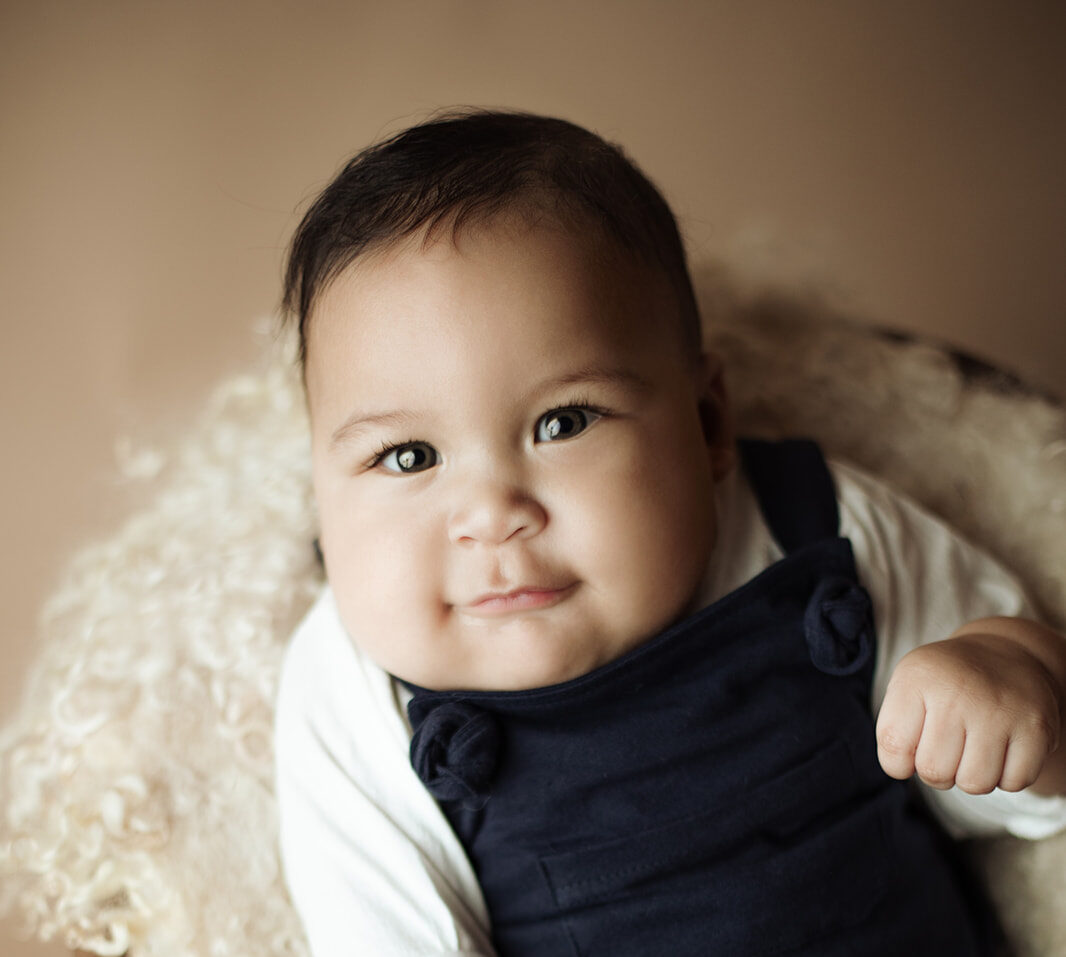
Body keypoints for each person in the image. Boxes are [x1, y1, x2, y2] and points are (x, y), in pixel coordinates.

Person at [273, 109, 1066, 956]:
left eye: (563, 421)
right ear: (321, 492)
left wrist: (1011, 677)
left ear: (707, 420)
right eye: (408, 455)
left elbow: (1020, 793)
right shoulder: (350, 693)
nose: (492, 513)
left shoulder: (814, 527)